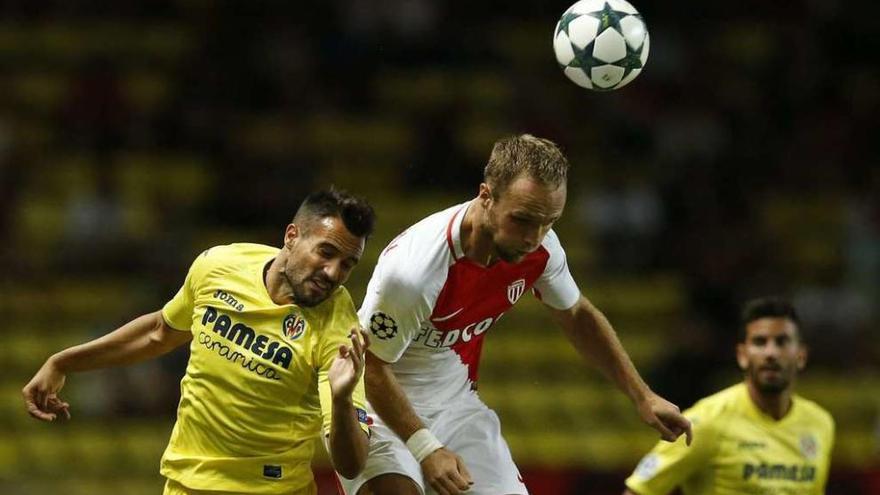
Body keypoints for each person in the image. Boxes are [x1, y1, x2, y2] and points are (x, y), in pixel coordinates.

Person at [341, 134, 693, 495]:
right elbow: (372, 367)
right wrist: (426, 447)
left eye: (549, 222)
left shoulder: (541, 248)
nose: (534, 237)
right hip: (376, 413)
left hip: (457, 408)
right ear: (486, 196)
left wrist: (642, 395)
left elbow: (576, 315)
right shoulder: (415, 272)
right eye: (522, 220)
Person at [22, 188, 377, 495]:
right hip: (185, 483)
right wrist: (63, 361)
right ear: (292, 236)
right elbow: (159, 331)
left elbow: (350, 463)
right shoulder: (220, 265)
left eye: (348, 265)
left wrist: (343, 398)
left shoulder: (338, 329)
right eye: (326, 252)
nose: (333, 273)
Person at [623, 297, 835, 495]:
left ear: (801, 356)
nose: (771, 353)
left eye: (782, 342)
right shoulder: (707, 421)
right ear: (742, 356)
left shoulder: (820, 424)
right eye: (760, 342)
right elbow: (638, 490)